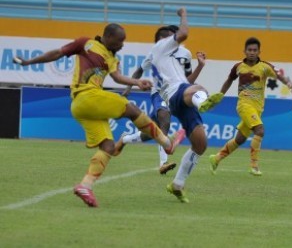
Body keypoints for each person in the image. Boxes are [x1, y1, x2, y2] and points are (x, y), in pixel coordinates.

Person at [12, 23, 182, 207]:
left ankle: (85, 186)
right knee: (132, 109)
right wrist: (28, 62)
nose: (122, 45)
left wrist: (136, 82)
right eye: (119, 41)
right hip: (86, 96)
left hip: (80, 106)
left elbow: (117, 77)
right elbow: (56, 53)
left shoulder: (111, 58)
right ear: (108, 36)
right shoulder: (86, 43)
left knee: (108, 147)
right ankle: (167, 144)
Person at [150, 7, 223, 203]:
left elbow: (186, 81)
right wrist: (183, 14)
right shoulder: (160, 49)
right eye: (171, 38)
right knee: (198, 89)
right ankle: (203, 103)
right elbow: (184, 33)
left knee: (200, 144)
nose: (177, 41)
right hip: (177, 94)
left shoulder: (167, 60)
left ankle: (177, 185)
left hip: (181, 97)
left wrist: (199, 66)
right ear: (163, 40)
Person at [115, 25, 207, 175]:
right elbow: (139, 70)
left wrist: (200, 67)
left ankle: (125, 139)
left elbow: (188, 80)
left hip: (176, 93)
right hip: (159, 93)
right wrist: (128, 88)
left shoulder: (185, 54)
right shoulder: (154, 53)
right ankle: (163, 162)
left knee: (149, 133)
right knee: (165, 119)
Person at [209, 37, 292, 176]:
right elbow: (229, 80)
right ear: (244, 51)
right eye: (249, 50)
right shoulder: (238, 67)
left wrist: (287, 82)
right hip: (244, 105)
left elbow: (279, 75)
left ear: (259, 51)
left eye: (255, 50)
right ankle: (254, 166)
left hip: (257, 108)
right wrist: (220, 95)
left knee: (240, 139)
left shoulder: (265, 67)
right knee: (260, 131)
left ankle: (216, 158)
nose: (252, 52)